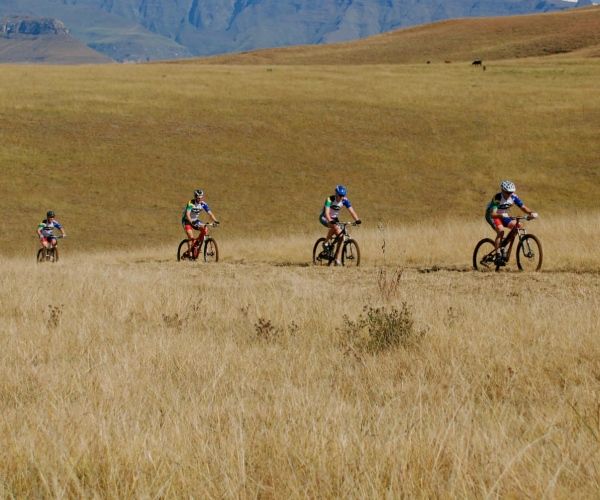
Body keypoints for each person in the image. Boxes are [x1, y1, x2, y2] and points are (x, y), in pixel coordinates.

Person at [485, 180, 538, 264]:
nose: (510, 194)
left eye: (511, 192)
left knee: (518, 225)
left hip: (504, 215)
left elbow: (523, 207)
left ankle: (504, 244)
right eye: (507, 192)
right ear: (502, 190)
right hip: (493, 215)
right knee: (501, 231)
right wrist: (501, 215)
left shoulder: (513, 197)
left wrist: (531, 213)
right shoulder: (497, 198)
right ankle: (498, 255)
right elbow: (493, 214)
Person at [319, 184, 361, 266]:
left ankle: (336, 259)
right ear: (336, 194)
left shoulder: (345, 200)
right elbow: (327, 213)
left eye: (343, 195)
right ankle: (325, 243)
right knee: (334, 226)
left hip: (334, 219)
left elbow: (352, 211)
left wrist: (357, 220)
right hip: (324, 217)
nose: (342, 197)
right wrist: (330, 221)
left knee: (341, 237)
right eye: (340, 195)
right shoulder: (329, 199)